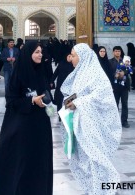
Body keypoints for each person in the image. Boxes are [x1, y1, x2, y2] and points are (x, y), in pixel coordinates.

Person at [0, 41, 53, 195]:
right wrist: (31, 100)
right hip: (21, 127)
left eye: (41, 52)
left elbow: (45, 93)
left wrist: (48, 101)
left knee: (38, 162)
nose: (40, 55)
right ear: (28, 54)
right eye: (37, 52)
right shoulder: (19, 73)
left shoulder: (41, 71)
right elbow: (11, 100)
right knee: (21, 162)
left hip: (40, 125)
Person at [61, 43, 121, 195]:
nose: (71, 59)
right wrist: (69, 101)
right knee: (84, 160)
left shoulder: (96, 74)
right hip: (80, 125)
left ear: (83, 57)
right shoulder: (81, 73)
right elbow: (78, 93)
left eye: (73, 56)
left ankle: (102, 190)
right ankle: (91, 189)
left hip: (93, 127)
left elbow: (101, 96)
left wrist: (78, 103)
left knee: (95, 158)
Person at [109, 45, 130, 128]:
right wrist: (115, 75)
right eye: (116, 51)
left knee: (125, 103)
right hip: (115, 86)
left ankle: (124, 121)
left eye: (119, 51)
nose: (117, 52)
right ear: (113, 52)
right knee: (115, 104)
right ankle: (115, 121)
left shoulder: (125, 61)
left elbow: (129, 70)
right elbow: (109, 72)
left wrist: (123, 73)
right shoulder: (110, 62)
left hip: (124, 86)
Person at [50, 47, 73, 112]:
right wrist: (52, 81)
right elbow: (56, 73)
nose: (70, 58)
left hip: (69, 86)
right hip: (60, 84)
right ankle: (59, 114)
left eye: (71, 56)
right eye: (69, 56)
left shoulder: (73, 65)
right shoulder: (61, 63)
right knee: (59, 100)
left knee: (67, 100)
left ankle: (67, 113)